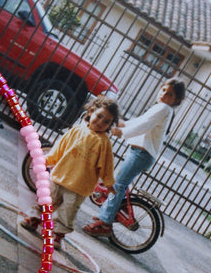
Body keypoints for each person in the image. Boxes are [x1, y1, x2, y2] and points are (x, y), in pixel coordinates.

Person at [83, 77, 186, 238]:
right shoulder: (161, 108)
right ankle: (108, 212)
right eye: (164, 90)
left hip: (141, 154)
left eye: (170, 94)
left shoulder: (164, 109)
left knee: (118, 185)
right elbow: (140, 122)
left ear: (177, 100)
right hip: (140, 153)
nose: (164, 95)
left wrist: (122, 132)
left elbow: (143, 126)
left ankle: (105, 222)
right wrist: (121, 123)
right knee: (120, 183)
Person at [21, 95, 120, 249]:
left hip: (79, 186)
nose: (100, 122)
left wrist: (108, 183)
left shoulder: (103, 142)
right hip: (60, 176)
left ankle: (58, 236)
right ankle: (34, 219)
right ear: (91, 111)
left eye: (106, 122)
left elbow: (106, 165)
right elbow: (60, 148)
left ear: (109, 125)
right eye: (99, 116)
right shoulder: (77, 130)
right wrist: (47, 160)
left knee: (67, 214)